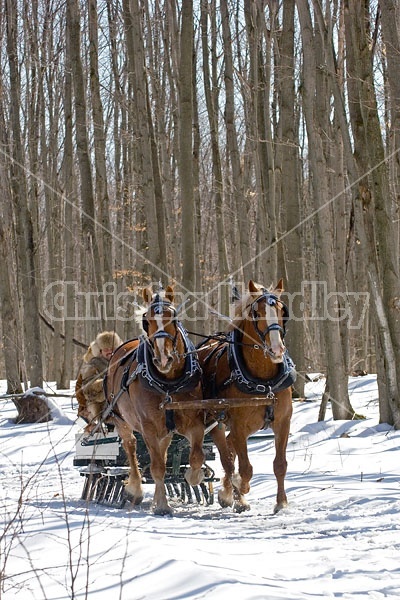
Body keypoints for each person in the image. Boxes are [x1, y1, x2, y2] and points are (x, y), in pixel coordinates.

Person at [75, 331, 122, 431]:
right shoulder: (93, 365)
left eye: (112, 348)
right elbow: (87, 389)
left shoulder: (122, 362)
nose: (110, 351)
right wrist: (107, 382)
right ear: (100, 351)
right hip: (100, 403)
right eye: (106, 349)